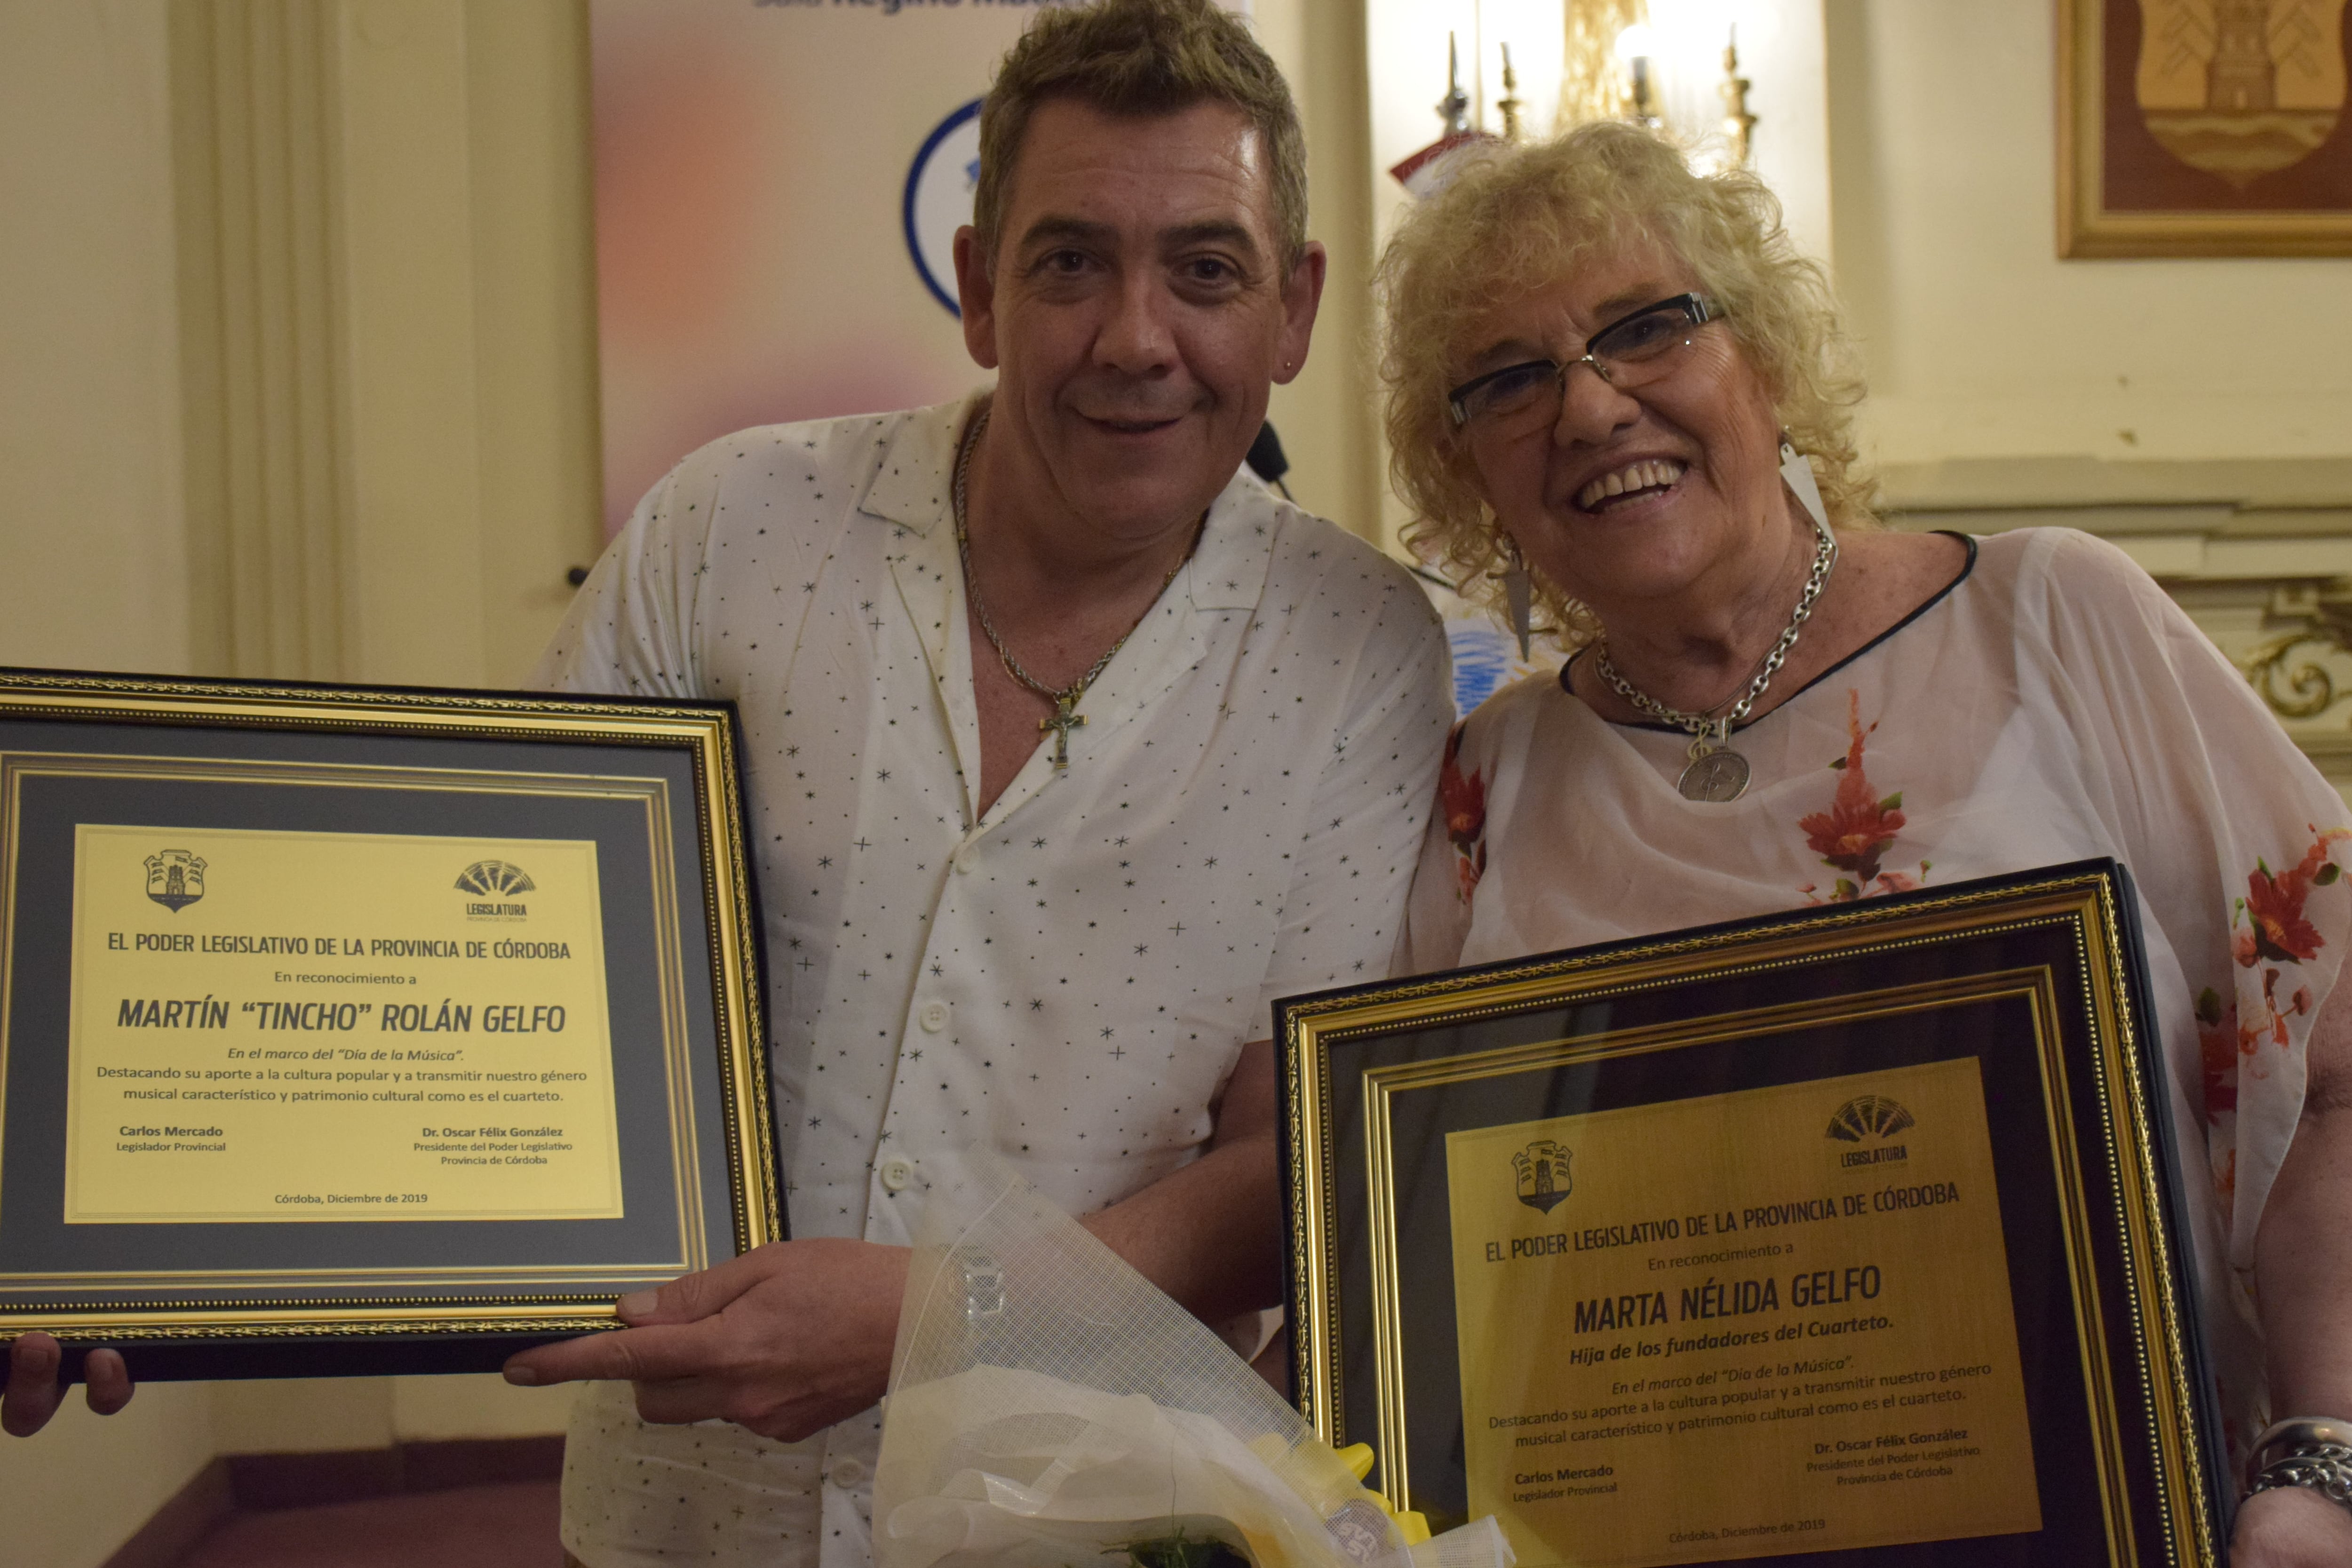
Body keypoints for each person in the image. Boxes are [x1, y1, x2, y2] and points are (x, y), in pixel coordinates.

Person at [1, 3, 1453, 1563]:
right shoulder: (729, 531)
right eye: (1070, 259)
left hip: (1095, 1515)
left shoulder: (1360, 649)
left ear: (1295, 310)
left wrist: (931, 1319)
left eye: (1208, 269)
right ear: (978, 289)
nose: (1136, 335)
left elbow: (1275, 1161)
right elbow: (477, 972)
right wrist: (147, 1255)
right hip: (686, 1517)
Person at [1379, 121, 2352, 1567]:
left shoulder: (2057, 625)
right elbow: (1421, 1251)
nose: (1587, 409)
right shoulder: (1490, 783)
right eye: (1509, 381)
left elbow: (2335, 1080)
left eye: (1647, 329)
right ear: (1471, 477)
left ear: (1762, 359)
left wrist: (2323, 1456)